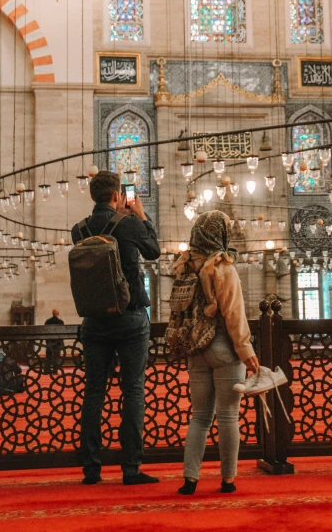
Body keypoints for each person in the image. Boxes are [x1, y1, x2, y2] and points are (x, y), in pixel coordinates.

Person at [71, 170, 160, 486]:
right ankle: (131, 469)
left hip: (94, 320)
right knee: (133, 389)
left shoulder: (78, 229)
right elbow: (154, 251)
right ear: (117, 195)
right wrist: (140, 214)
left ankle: (92, 470)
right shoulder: (129, 223)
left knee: (94, 392)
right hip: (130, 318)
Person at [175, 210, 259, 497]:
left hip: (196, 349)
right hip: (223, 348)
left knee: (199, 417)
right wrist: (246, 350)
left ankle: (190, 480)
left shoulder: (184, 265)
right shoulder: (221, 267)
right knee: (227, 417)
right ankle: (228, 480)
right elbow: (234, 314)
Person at [44, 308, 65, 374]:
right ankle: (55, 371)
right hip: (57, 342)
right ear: (58, 314)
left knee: (48, 356)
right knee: (57, 356)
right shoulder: (60, 322)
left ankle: (47, 370)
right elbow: (62, 332)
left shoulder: (47, 321)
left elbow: (45, 331)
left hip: (50, 341)